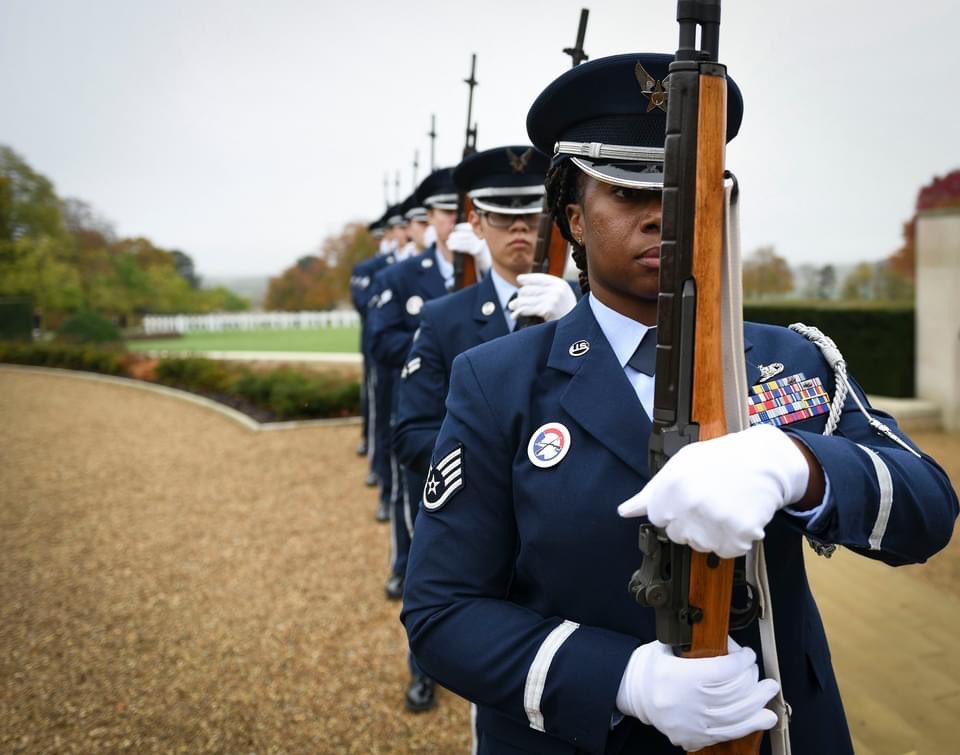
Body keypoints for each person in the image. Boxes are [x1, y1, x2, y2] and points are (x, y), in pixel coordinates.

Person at [401, 52, 959, 754]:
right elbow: (442, 610)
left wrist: (802, 463)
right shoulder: (499, 382)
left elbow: (929, 506)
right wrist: (621, 679)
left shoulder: (790, 356)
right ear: (574, 218)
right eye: (629, 193)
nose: (663, 214)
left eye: (683, 189)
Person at [394, 143, 578, 492]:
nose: (520, 227)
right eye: (503, 215)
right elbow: (412, 434)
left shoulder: (587, 306)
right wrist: (500, 464)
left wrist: (577, 326)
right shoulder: (444, 318)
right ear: (477, 223)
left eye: (532, 212)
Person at [350, 207, 397, 491]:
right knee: (377, 405)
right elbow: (363, 303)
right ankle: (375, 460)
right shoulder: (369, 268)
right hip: (376, 346)